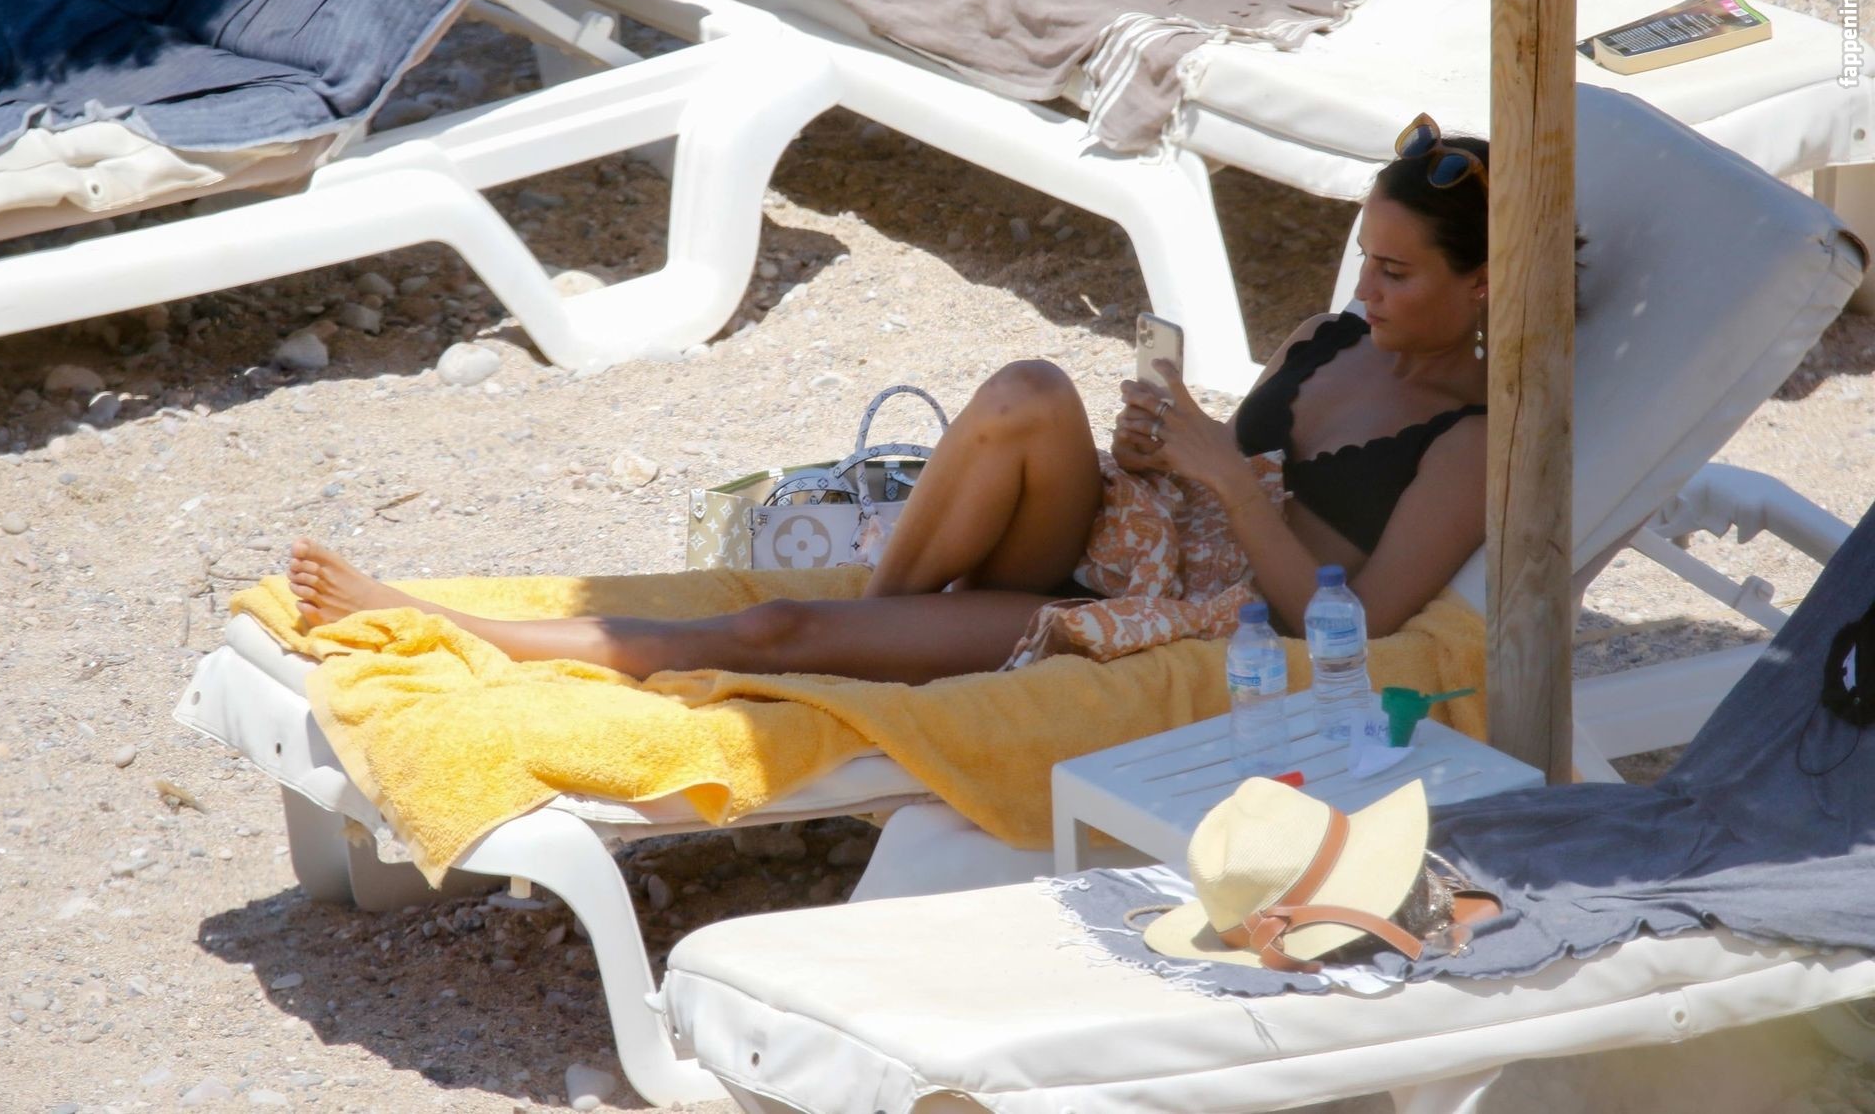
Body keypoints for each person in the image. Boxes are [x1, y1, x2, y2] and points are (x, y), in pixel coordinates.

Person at [287, 114, 1490, 686]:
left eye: (1397, 274)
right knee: (1030, 392)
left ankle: (442, 625)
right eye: (1366, 260)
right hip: (1137, 536)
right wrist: (1172, 447)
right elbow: (1222, 467)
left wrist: (1222, 473)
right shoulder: (1331, 340)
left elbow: (1357, 625)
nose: (1363, 291)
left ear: (1485, 286)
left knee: (775, 632)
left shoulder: (1474, 443)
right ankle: (880, 624)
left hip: (1187, 614)